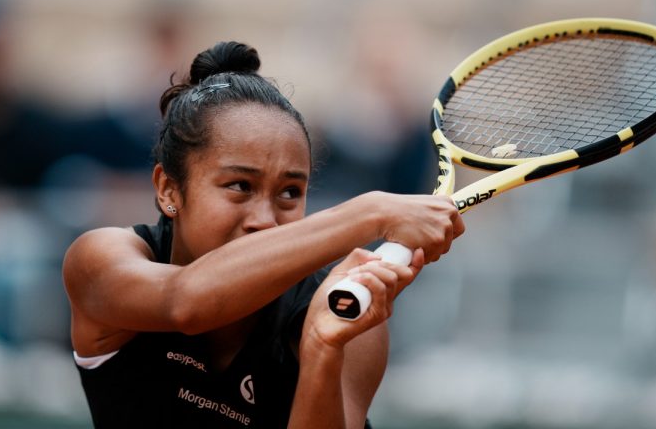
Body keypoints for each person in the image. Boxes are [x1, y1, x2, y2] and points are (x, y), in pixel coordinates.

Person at [62, 41, 464, 428]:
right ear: (168, 189)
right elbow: (186, 302)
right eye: (239, 185)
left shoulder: (343, 312)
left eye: (291, 192)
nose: (265, 220)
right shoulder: (102, 259)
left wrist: (323, 347)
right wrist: (372, 212)